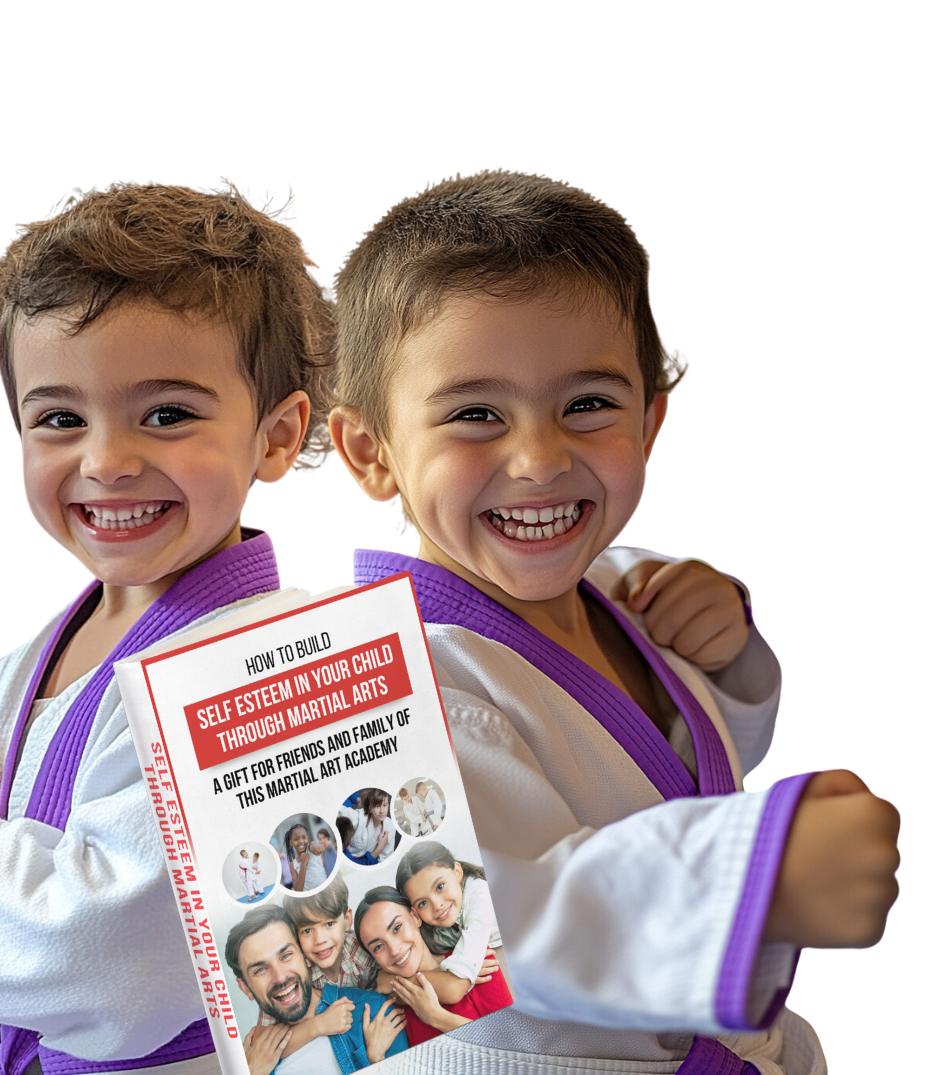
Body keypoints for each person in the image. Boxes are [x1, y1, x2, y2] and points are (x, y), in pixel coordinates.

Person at [329, 169, 901, 1073]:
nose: (538, 458)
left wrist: (729, 653)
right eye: (475, 413)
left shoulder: (624, 592)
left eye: (587, 404)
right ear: (372, 454)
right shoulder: (366, 684)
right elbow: (479, 931)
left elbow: (681, 771)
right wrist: (751, 878)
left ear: (651, 423)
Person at [0, 179, 332, 1075]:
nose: (108, 460)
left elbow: (117, 960)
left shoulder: (276, 667)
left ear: (276, 438)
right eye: (60, 419)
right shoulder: (20, 669)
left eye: (167, 414)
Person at [227, 904, 408, 1074]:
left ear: (306, 956)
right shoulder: (253, 1062)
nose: (280, 977)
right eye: (260, 970)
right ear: (245, 988)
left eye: (286, 955)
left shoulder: (376, 1014)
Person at [354, 887, 513, 1048]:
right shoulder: (390, 1012)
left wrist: (437, 1017)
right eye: (378, 946)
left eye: (397, 928)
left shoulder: (473, 961)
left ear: (415, 917)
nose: (394, 950)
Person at [395, 842, 501, 991]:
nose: (437, 905)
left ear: (457, 872)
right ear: (415, 913)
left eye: (440, 887)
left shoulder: (480, 893)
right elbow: (425, 962)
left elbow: (459, 978)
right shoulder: (435, 928)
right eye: (423, 903)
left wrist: (463, 968)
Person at [340, 788, 397, 863]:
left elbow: (385, 859)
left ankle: (359, 800)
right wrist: (379, 849)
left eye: (385, 805)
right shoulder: (356, 818)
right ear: (370, 809)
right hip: (352, 857)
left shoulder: (390, 826)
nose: (382, 811)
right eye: (377, 806)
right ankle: (359, 800)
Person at [283, 823, 329, 892]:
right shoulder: (293, 865)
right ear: (291, 843)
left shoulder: (311, 848)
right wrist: (303, 863)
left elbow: (314, 847)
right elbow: (297, 889)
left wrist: (318, 848)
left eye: (303, 837)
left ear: (307, 838)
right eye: (296, 839)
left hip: (325, 891)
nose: (301, 841)